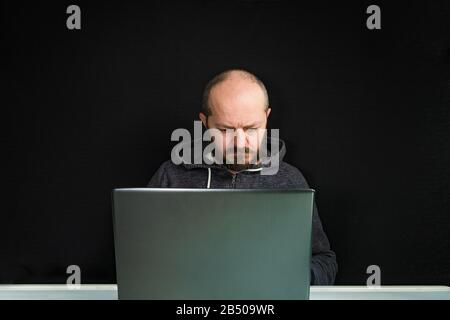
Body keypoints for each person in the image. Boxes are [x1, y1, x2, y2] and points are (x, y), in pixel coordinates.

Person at [147, 69, 338, 285]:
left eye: (251, 129)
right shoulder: (171, 177)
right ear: (205, 122)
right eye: (225, 130)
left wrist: (293, 279)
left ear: (266, 118)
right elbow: (139, 255)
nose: (239, 143)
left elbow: (323, 260)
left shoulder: (290, 180)